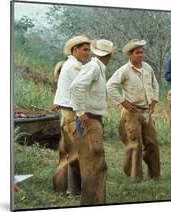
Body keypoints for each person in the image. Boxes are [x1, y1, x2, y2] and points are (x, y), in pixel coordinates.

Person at [106, 39, 160, 182]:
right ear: (130, 55)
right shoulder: (124, 70)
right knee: (135, 144)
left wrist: (154, 101)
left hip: (146, 111)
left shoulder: (147, 68)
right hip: (132, 113)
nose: (141, 55)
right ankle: (135, 177)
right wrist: (123, 102)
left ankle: (155, 175)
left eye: (142, 52)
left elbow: (155, 85)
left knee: (152, 142)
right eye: (137, 53)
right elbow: (110, 86)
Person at [70, 39, 115, 205]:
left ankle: (97, 201)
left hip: (94, 118)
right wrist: (80, 112)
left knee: (97, 165)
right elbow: (76, 87)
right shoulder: (94, 67)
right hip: (89, 119)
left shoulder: (98, 68)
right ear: (109, 54)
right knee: (93, 165)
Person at [52, 35, 91, 197]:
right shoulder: (74, 67)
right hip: (72, 112)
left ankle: (61, 187)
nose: (87, 53)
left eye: (88, 50)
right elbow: (79, 91)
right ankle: (74, 190)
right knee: (75, 153)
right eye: (84, 49)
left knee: (66, 152)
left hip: (66, 111)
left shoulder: (70, 65)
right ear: (75, 50)